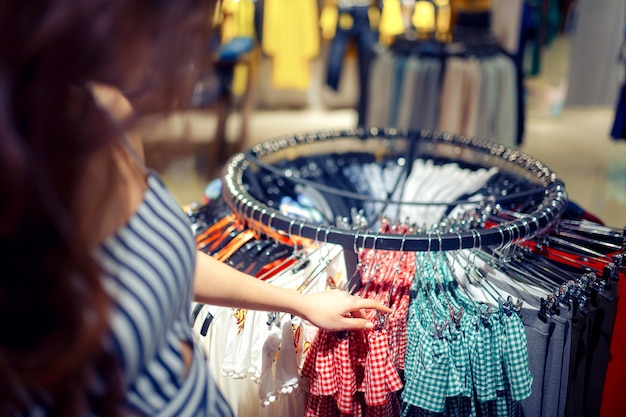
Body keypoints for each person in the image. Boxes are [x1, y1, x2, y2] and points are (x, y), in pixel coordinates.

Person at [0, 1, 391, 416]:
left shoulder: (108, 115)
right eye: (157, 32)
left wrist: (298, 302)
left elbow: (170, 257)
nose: (173, 63)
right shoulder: (20, 187)